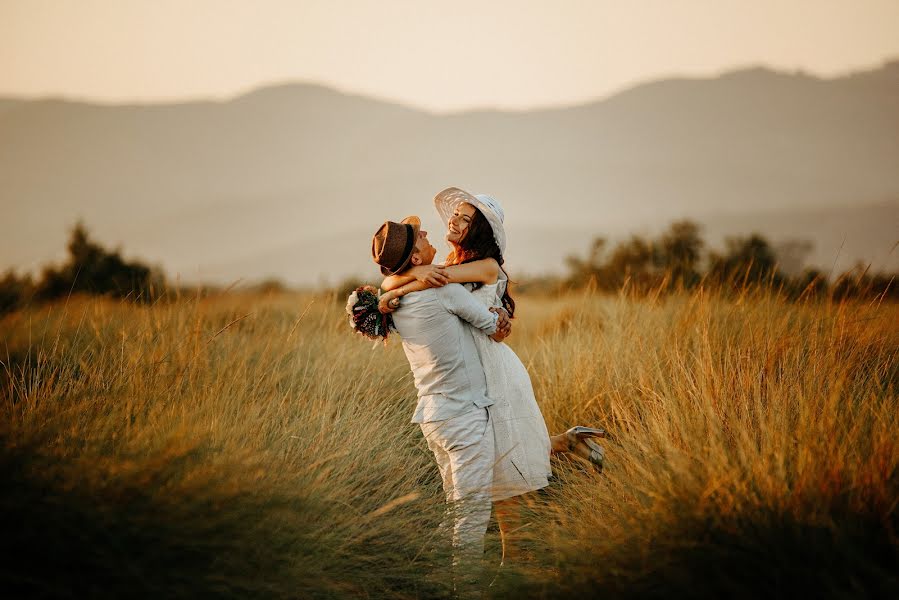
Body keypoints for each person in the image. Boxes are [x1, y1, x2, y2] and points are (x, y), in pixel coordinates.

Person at [378, 188, 605, 565]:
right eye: (455, 215)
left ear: (479, 232)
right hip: (475, 369)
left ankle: (511, 564)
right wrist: (407, 276)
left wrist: (407, 279)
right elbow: (396, 281)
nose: (453, 221)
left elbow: (424, 284)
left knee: (504, 467)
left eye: (465, 219)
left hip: (495, 370)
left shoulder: (486, 266)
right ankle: (566, 443)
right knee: (500, 461)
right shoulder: (447, 263)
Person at [371, 216, 509, 596]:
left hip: (433, 417)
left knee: (455, 509)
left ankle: (434, 585)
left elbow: (389, 287)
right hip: (463, 415)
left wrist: (398, 283)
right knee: (472, 515)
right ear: (416, 256)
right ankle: (466, 592)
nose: (428, 234)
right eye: (421, 238)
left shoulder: (397, 303)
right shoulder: (441, 291)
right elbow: (494, 329)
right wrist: (500, 317)